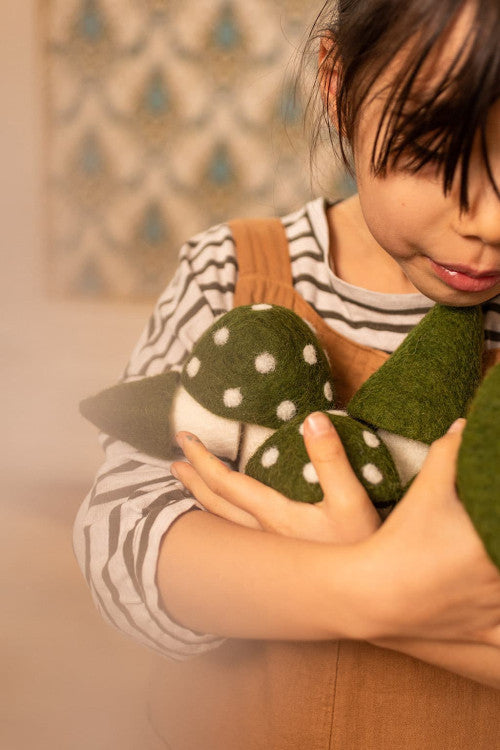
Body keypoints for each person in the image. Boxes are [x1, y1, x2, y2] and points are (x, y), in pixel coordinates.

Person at [73, 0, 500, 746]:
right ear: (340, 86)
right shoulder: (228, 271)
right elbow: (126, 547)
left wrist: (373, 591)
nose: (490, 223)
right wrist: (371, 584)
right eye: (438, 154)